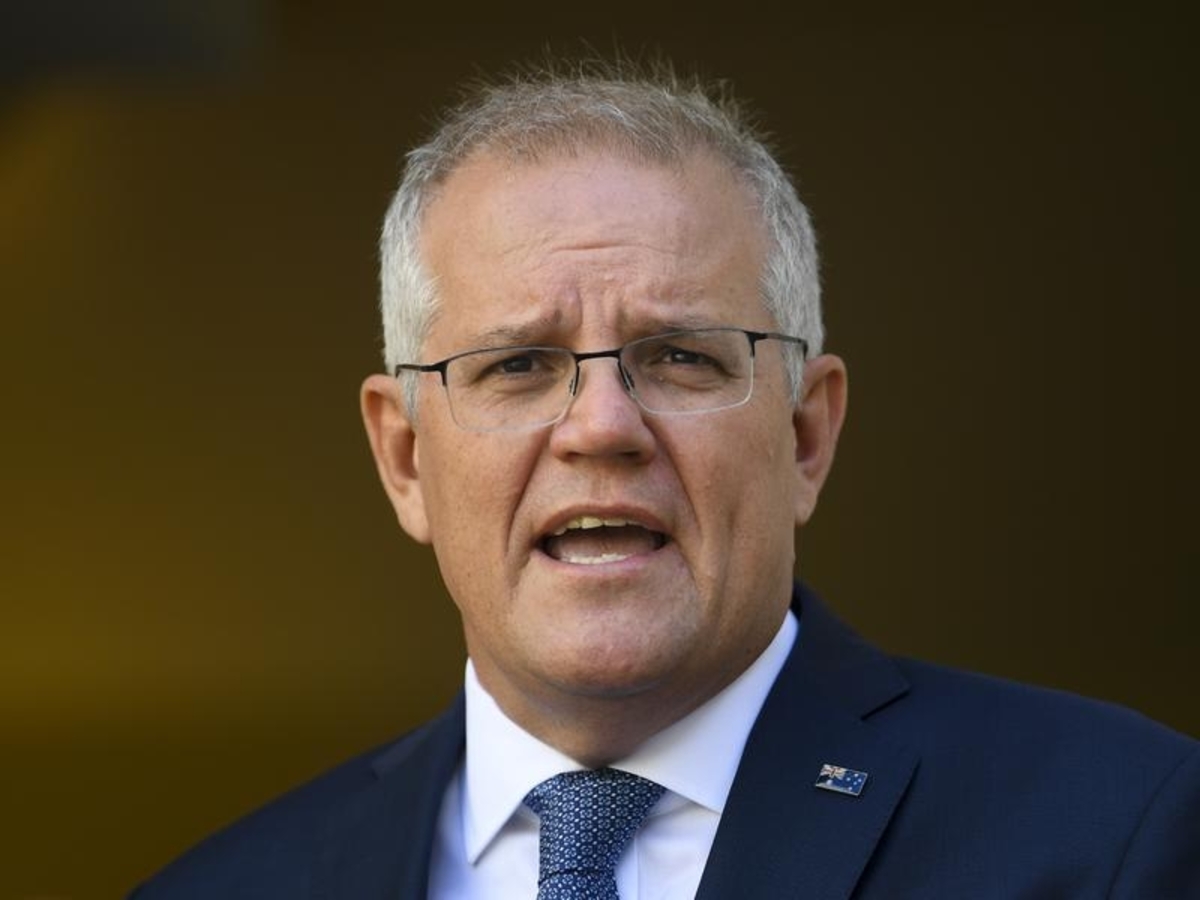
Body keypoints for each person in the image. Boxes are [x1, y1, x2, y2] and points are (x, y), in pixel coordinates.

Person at [131, 59, 1199, 899]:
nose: (602, 427)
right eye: (518, 365)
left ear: (807, 435)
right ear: (405, 458)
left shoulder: (1120, 830)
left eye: (681, 357)